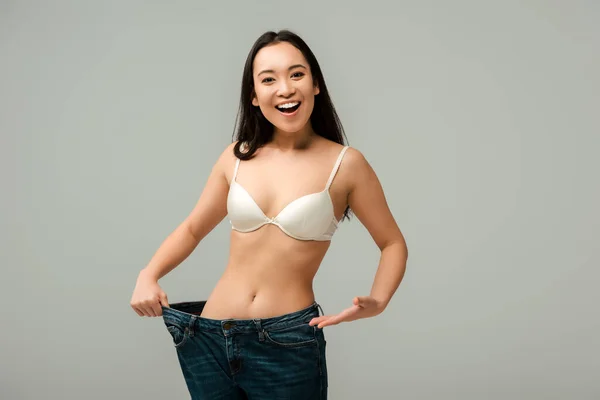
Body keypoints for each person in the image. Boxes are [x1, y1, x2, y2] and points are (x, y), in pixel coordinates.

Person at [130, 29, 408, 399]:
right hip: (210, 337)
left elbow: (392, 243)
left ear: (316, 85)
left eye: (297, 74)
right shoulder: (236, 156)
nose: (285, 88)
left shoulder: (346, 165)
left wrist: (379, 299)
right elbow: (194, 228)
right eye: (268, 79)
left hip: (287, 342)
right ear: (254, 95)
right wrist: (148, 274)